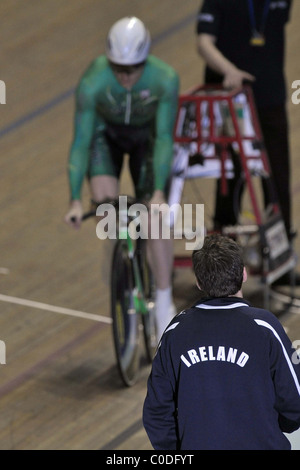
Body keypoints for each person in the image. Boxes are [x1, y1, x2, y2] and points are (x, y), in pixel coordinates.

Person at [64, 16, 180, 339]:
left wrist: (157, 192)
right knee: (106, 206)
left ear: (145, 61)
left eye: (132, 70)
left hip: (147, 139)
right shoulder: (93, 82)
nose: (125, 78)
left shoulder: (165, 79)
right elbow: (81, 143)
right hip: (106, 137)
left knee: (155, 217)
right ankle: (125, 261)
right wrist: (75, 198)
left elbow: (164, 138)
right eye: (118, 69)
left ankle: (165, 303)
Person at [143, 233, 300, 450]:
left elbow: (157, 413)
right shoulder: (266, 327)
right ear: (244, 274)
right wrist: (274, 426)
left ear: (198, 282)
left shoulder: (175, 332)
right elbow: (295, 401)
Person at [196, 0, 295, 284]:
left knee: (277, 180)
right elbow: (204, 43)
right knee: (231, 180)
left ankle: (281, 260)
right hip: (232, 102)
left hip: (269, 99)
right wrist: (228, 70)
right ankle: (218, 269)